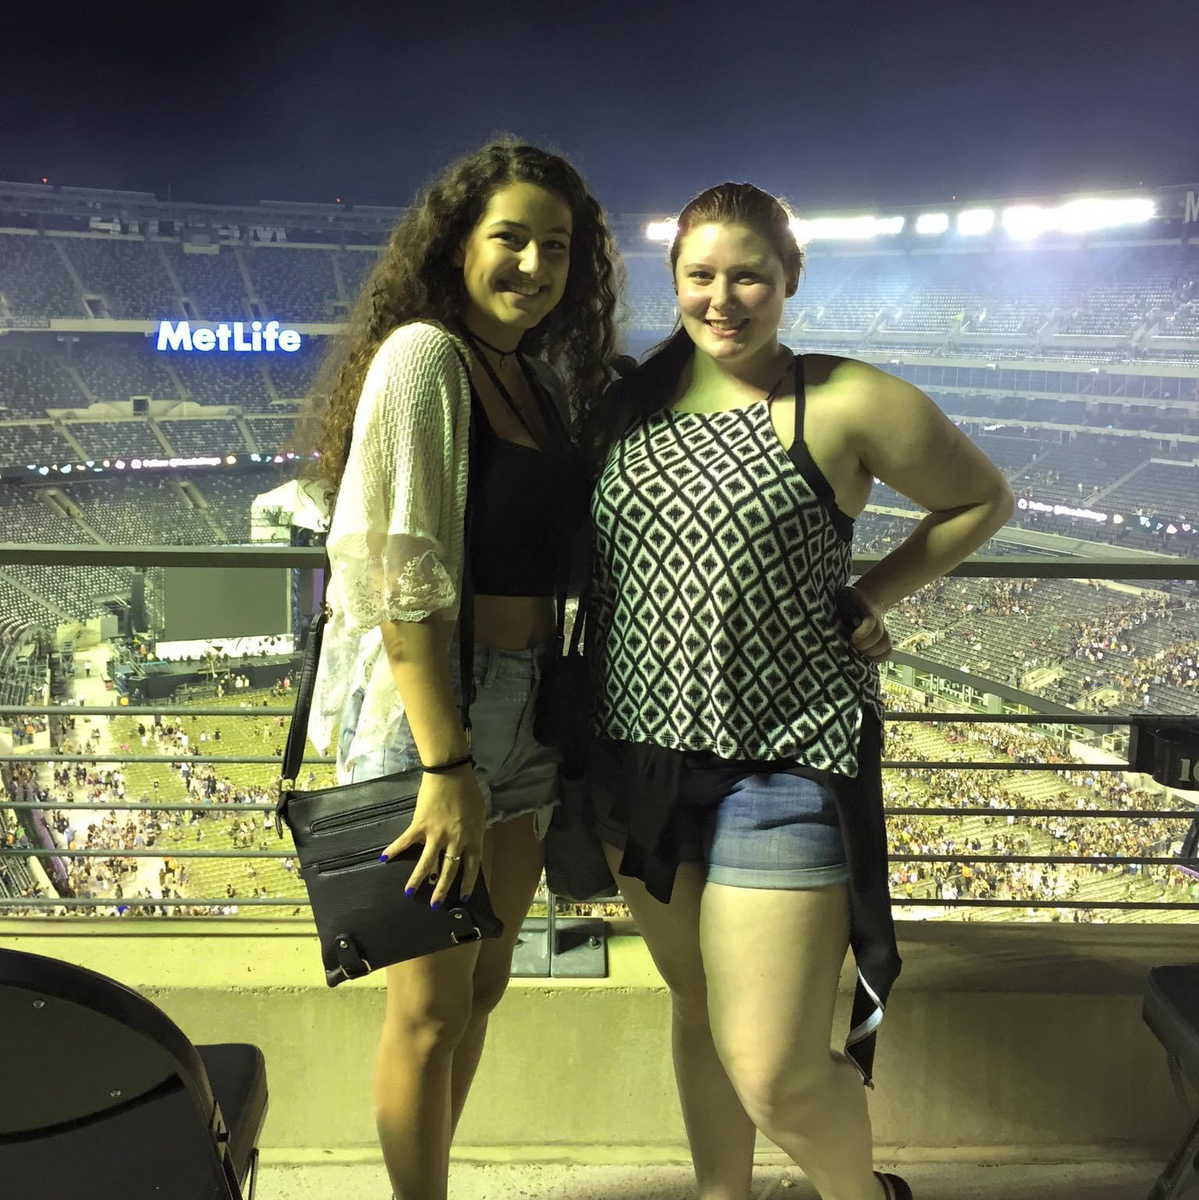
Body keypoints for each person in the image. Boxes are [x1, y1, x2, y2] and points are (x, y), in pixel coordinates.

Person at [582, 183, 1014, 1200]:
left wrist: (869, 592)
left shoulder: (845, 397)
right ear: (671, 279)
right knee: (694, 1006)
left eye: (749, 278)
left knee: (772, 1067)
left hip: (788, 756)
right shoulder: (624, 403)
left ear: (789, 280)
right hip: (637, 753)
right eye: (699, 276)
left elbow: (980, 498)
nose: (721, 299)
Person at [296, 139, 618, 1200]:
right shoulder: (425, 358)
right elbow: (399, 578)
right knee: (428, 1012)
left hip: (527, 708)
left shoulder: (533, 382)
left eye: (556, 247)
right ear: (455, 246)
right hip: (434, 711)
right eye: (509, 239)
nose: (534, 264)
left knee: (481, 990)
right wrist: (444, 765)